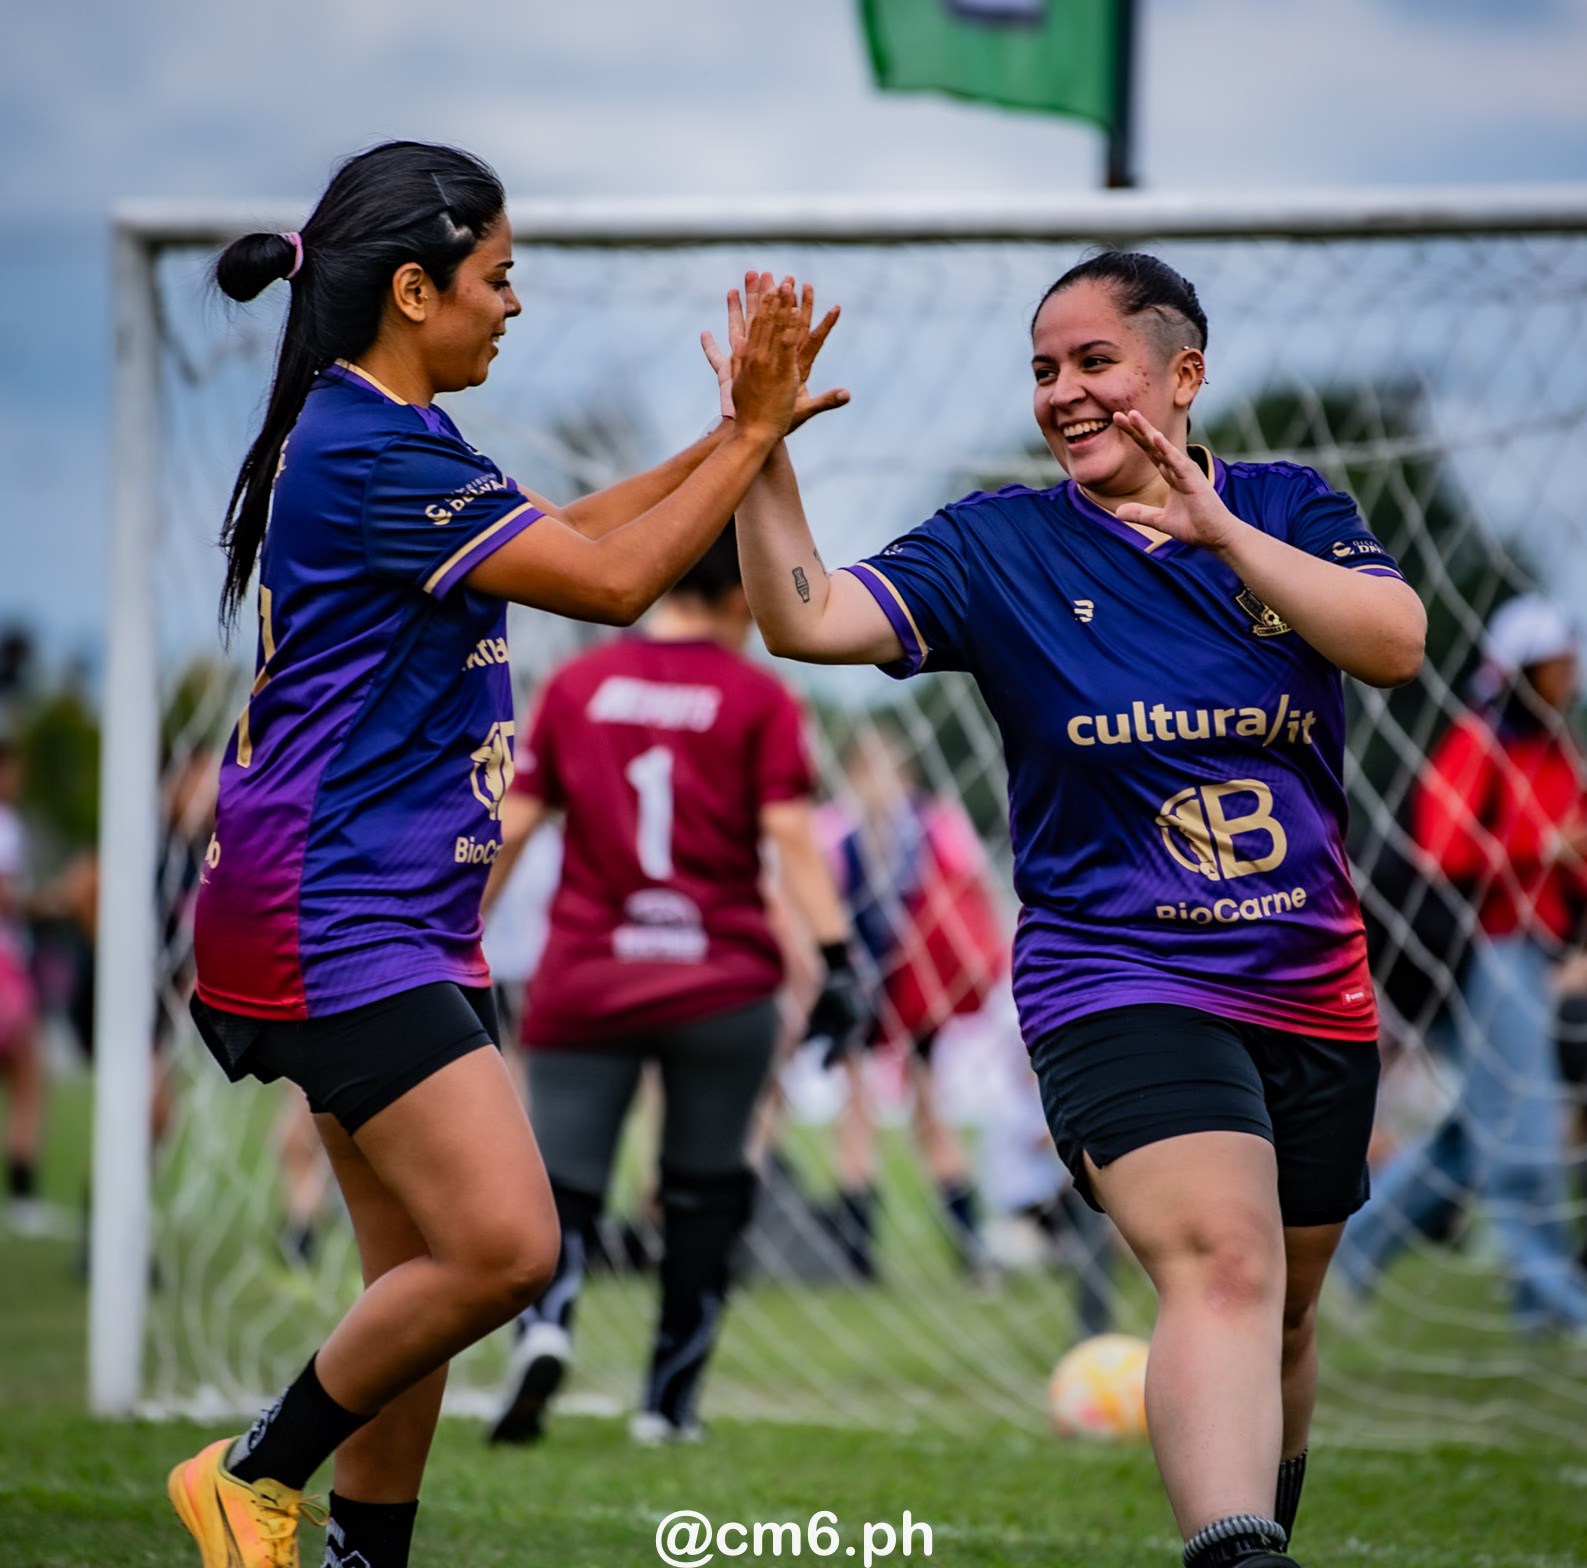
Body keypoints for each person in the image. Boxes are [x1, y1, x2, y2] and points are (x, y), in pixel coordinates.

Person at [169, 140, 816, 1568]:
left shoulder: (384, 437)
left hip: (364, 906)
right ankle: (250, 1470)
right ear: (414, 289)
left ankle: (359, 1555)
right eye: (497, 276)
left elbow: (568, 531)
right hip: (330, 913)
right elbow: (615, 580)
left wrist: (732, 437)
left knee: (418, 1271)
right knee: (506, 1252)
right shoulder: (367, 450)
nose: (512, 305)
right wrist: (750, 442)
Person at [734, 253, 1426, 1568]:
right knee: (1222, 1264)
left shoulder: (1288, 506)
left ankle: (1255, 1534)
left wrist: (1217, 530)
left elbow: (1391, 644)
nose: (1062, 392)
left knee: (1278, 1310)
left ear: (1182, 372)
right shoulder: (997, 544)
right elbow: (805, 619)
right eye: (1043, 370)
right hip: (1114, 980)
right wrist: (760, 444)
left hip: (1309, 980)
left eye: (1091, 362)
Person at [483, 520, 866, 1447]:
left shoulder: (575, 687)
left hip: (588, 976)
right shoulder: (760, 697)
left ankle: (547, 1328)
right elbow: (788, 843)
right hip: (720, 980)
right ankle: (667, 1404)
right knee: (703, 1191)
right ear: (741, 595)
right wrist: (839, 955)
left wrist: (448, 929)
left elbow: (515, 825)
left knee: (563, 1184)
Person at [1336, 594, 1587, 1329]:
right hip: (1478, 953)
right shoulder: (1478, 742)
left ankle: (1346, 1258)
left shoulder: (1557, 751)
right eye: (1554, 668)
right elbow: (1441, 847)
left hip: (1534, 955)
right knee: (1524, 1127)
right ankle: (1548, 1301)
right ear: (1518, 672)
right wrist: (1543, 847)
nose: (1565, 680)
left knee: (1474, 1133)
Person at [818, 727, 1005, 1281]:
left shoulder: (931, 824)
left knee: (929, 1109)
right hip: (857, 985)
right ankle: (858, 1255)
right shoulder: (835, 829)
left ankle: (971, 1244)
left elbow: (967, 889)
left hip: (916, 988)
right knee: (857, 1112)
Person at [0, 736, 48, 1235]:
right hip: (6, 968)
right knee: (30, 1080)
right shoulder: (7, 828)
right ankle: (21, 1195)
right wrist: (49, 903)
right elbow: (7, 900)